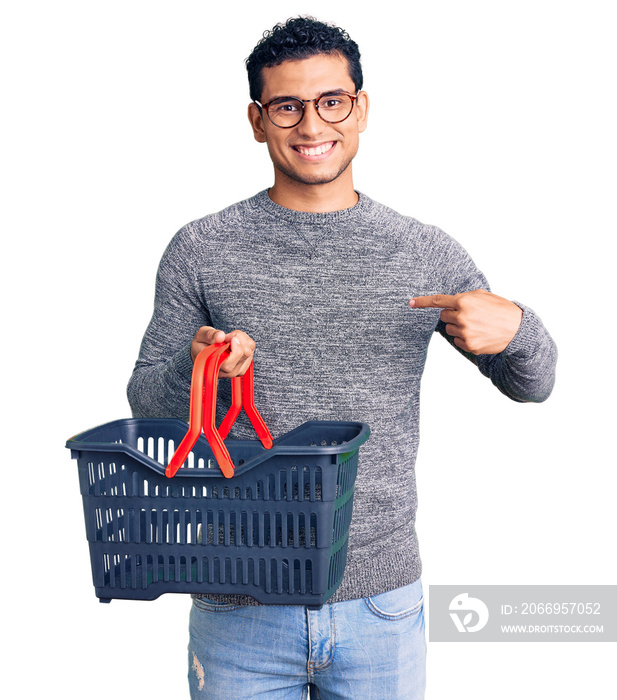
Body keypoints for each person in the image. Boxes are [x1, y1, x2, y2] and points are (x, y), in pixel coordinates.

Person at [127, 16, 557, 700]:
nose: (309, 125)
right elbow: (147, 402)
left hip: (379, 604)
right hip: (237, 599)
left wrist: (518, 330)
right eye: (286, 106)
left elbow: (532, 384)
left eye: (331, 101)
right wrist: (199, 365)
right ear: (255, 120)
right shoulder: (201, 248)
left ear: (360, 108)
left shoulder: (422, 250)